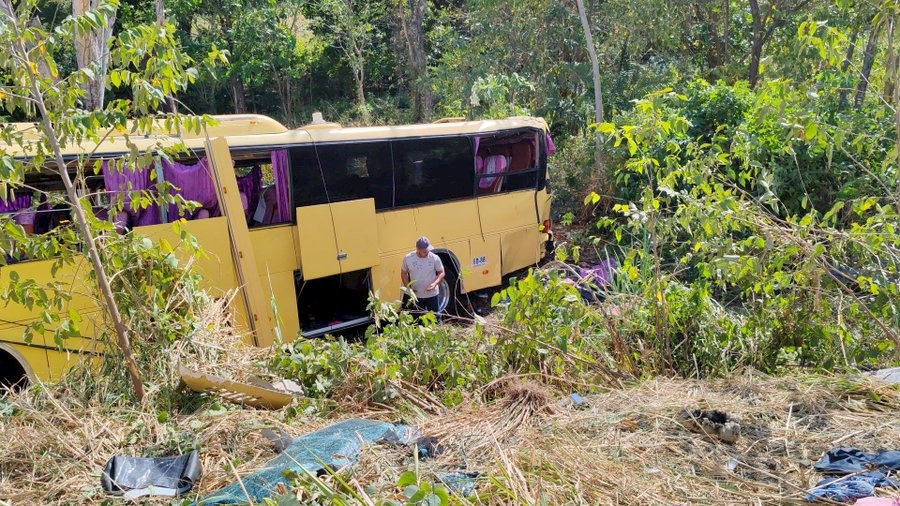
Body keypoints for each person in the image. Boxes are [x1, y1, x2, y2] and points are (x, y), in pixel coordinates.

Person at [401, 236, 445, 322]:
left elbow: (441, 272)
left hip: (432, 295)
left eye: (428, 249)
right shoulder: (408, 258)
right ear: (417, 249)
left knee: (435, 320)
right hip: (416, 296)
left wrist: (435, 283)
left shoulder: (434, 258)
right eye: (425, 251)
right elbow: (403, 273)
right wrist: (408, 289)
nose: (428, 252)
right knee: (417, 321)